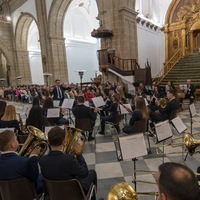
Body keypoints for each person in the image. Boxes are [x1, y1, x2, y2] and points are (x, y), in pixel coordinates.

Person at [39, 126, 97, 199]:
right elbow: (84, 173)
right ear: (64, 141)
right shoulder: (69, 159)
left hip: (53, 194)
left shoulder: (42, 160)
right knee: (92, 173)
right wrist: (79, 155)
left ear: (48, 142)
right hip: (71, 194)